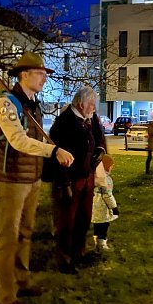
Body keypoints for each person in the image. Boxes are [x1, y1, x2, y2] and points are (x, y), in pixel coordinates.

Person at [0, 51, 74, 304]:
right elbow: (18, 141)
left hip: (32, 179)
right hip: (12, 180)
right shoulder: (7, 103)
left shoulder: (33, 104)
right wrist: (53, 151)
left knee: (25, 233)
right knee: (7, 238)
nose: (43, 78)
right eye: (40, 73)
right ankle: (6, 299)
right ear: (24, 75)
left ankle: (22, 280)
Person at [50, 86, 106, 274]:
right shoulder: (65, 122)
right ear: (81, 104)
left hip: (86, 176)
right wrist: (64, 183)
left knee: (84, 217)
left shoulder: (89, 120)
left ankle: (79, 252)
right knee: (68, 220)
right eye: (91, 104)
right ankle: (65, 259)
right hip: (71, 179)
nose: (94, 108)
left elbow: (98, 140)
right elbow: (57, 154)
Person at [91, 154, 119, 250]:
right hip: (102, 206)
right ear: (107, 166)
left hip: (93, 204)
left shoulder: (93, 175)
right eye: (111, 165)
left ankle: (96, 240)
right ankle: (102, 243)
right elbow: (107, 195)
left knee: (97, 223)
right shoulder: (105, 179)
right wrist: (114, 207)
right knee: (104, 225)